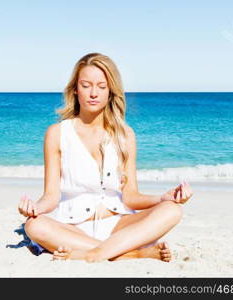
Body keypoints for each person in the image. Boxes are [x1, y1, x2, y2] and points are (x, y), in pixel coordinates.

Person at [18, 53, 193, 262]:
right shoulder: (57, 133)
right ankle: (130, 253)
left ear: (110, 91)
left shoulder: (125, 135)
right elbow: (51, 196)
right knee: (34, 225)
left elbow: (130, 197)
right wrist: (35, 208)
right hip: (73, 228)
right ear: (75, 89)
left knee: (172, 210)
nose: (93, 93)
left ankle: (93, 254)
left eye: (101, 86)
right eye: (86, 85)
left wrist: (163, 198)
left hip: (119, 225)